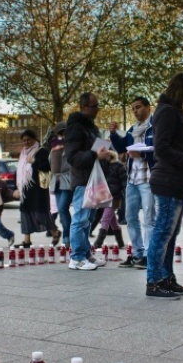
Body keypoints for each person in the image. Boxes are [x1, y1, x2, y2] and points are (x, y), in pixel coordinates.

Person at [146, 72, 183, 299]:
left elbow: (177, 143)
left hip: (176, 180)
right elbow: (162, 148)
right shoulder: (167, 112)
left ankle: (166, 278)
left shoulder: (172, 111)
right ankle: (154, 281)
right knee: (162, 232)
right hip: (168, 179)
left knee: (169, 233)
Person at [65, 92, 111, 270]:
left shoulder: (90, 127)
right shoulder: (76, 127)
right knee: (80, 218)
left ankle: (85, 253)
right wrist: (95, 154)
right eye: (94, 106)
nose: (97, 109)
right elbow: (73, 157)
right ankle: (76, 257)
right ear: (84, 107)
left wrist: (103, 151)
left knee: (89, 219)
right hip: (83, 179)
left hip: (93, 178)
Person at [109, 96, 155, 269]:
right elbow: (121, 148)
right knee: (130, 217)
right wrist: (113, 134)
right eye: (133, 108)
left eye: (138, 107)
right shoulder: (132, 129)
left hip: (148, 179)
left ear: (148, 108)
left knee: (149, 218)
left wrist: (142, 154)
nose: (136, 111)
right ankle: (136, 253)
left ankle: (147, 255)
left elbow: (159, 150)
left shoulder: (154, 128)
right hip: (132, 180)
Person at [16, 129, 56, 248]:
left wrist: (34, 161)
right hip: (26, 188)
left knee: (40, 213)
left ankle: (55, 232)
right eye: (24, 140)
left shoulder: (41, 151)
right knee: (25, 213)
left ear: (34, 139)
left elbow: (47, 166)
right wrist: (17, 187)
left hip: (38, 189)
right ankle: (27, 240)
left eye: (29, 139)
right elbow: (19, 170)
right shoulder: (23, 152)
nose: (26, 142)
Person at [93, 151, 127, 248]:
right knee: (113, 222)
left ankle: (98, 243)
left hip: (115, 197)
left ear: (110, 156)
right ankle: (120, 243)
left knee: (105, 219)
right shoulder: (105, 167)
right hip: (106, 196)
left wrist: (124, 194)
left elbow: (124, 181)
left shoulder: (119, 166)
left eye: (106, 156)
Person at [48, 121, 72, 248]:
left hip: (67, 181)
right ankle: (68, 237)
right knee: (62, 211)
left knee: (63, 208)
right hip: (56, 182)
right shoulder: (53, 147)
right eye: (60, 133)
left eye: (64, 132)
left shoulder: (70, 146)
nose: (62, 135)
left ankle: (67, 237)